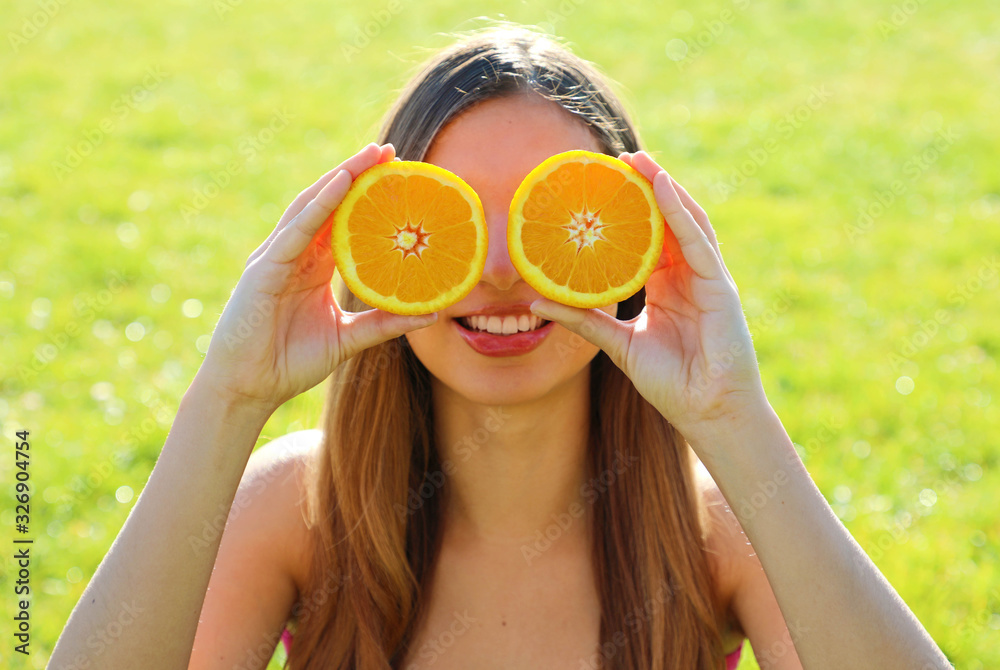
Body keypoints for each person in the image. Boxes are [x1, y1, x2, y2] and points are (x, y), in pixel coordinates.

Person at [50, 23, 950, 670]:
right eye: (453, 218)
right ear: (384, 237)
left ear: (633, 245)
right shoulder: (299, 513)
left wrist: (736, 421)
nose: (501, 271)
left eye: (549, 219)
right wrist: (230, 394)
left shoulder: (716, 532)